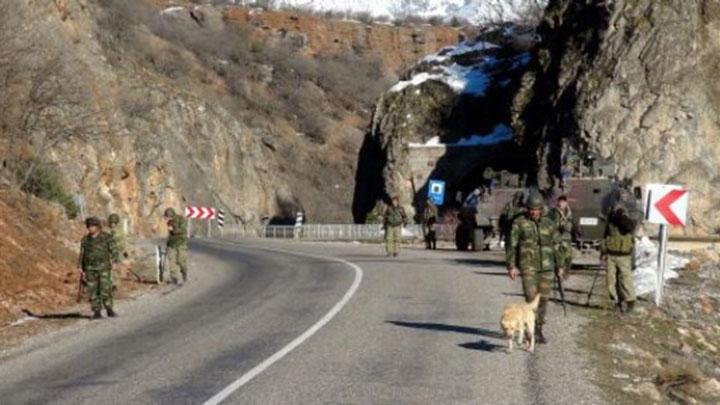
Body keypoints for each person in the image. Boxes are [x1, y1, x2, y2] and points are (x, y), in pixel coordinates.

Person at [506, 193, 564, 344]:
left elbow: (557, 245)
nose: (533, 212)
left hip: (547, 266)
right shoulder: (519, 223)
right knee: (531, 297)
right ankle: (528, 327)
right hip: (528, 266)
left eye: (536, 209)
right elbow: (512, 245)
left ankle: (537, 329)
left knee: (543, 299)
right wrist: (511, 265)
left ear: (541, 209)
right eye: (531, 209)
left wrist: (560, 265)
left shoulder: (549, 224)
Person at [79, 217, 119, 319]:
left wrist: (115, 261)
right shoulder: (85, 240)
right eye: (88, 226)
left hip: (104, 267)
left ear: (97, 226)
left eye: (92, 226)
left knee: (105, 288)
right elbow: (82, 254)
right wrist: (81, 268)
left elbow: (114, 250)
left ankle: (109, 309)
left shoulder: (106, 237)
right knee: (92, 290)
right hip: (90, 268)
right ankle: (96, 311)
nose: (90, 228)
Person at [600, 204, 638, 313]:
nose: (616, 213)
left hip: (624, 256)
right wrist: (603, 251)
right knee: (610, 280)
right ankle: (616, 301)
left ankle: (630, 300)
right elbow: (605, 237)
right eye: (616, 211)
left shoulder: (628, 222)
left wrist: (621, 217)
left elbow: (629, 227)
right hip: (611, 255)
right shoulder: (611, 223)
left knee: (625, 280)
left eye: (619, 211)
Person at [548, 195, 574, 277]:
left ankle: (565, 273)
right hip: (557, 238)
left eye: (564, 202)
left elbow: (572, 223)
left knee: (569, 257)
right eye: (560, 201)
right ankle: (559, 274)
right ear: (558, 202)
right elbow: (549, 224)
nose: (562, 203)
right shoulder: (553, 212)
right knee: (560, 258)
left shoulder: (569, 212)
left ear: (566, 203)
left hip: (567, 238)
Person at [164, 208, 189, 285]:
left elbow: (183, 230)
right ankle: (174, 278)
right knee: (172, 262)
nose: (167, 218)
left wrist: (173, 230)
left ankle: (184, 274)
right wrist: (167, 244)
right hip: (172, 244)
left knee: (181, 261)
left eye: (167, 216)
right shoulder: (169, 222)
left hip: (181, 243)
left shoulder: (180, 219)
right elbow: (170, 235)